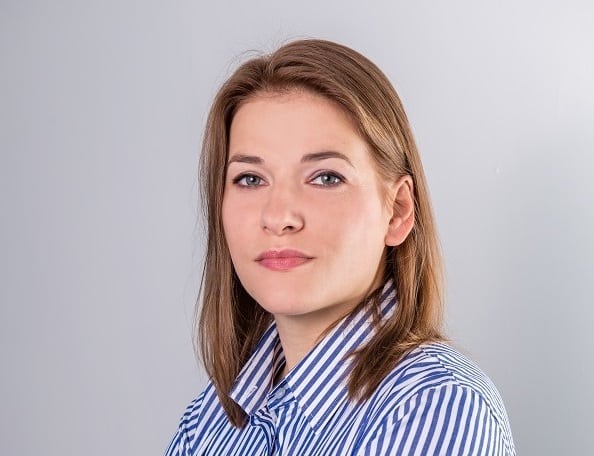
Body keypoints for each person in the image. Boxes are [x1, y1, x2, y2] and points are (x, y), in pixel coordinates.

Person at [165, 38, 516, 455]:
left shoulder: (436, 408)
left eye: (326, 177)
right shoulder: (210, 420)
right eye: (250, 179)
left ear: (398, 210)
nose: (278, 216)